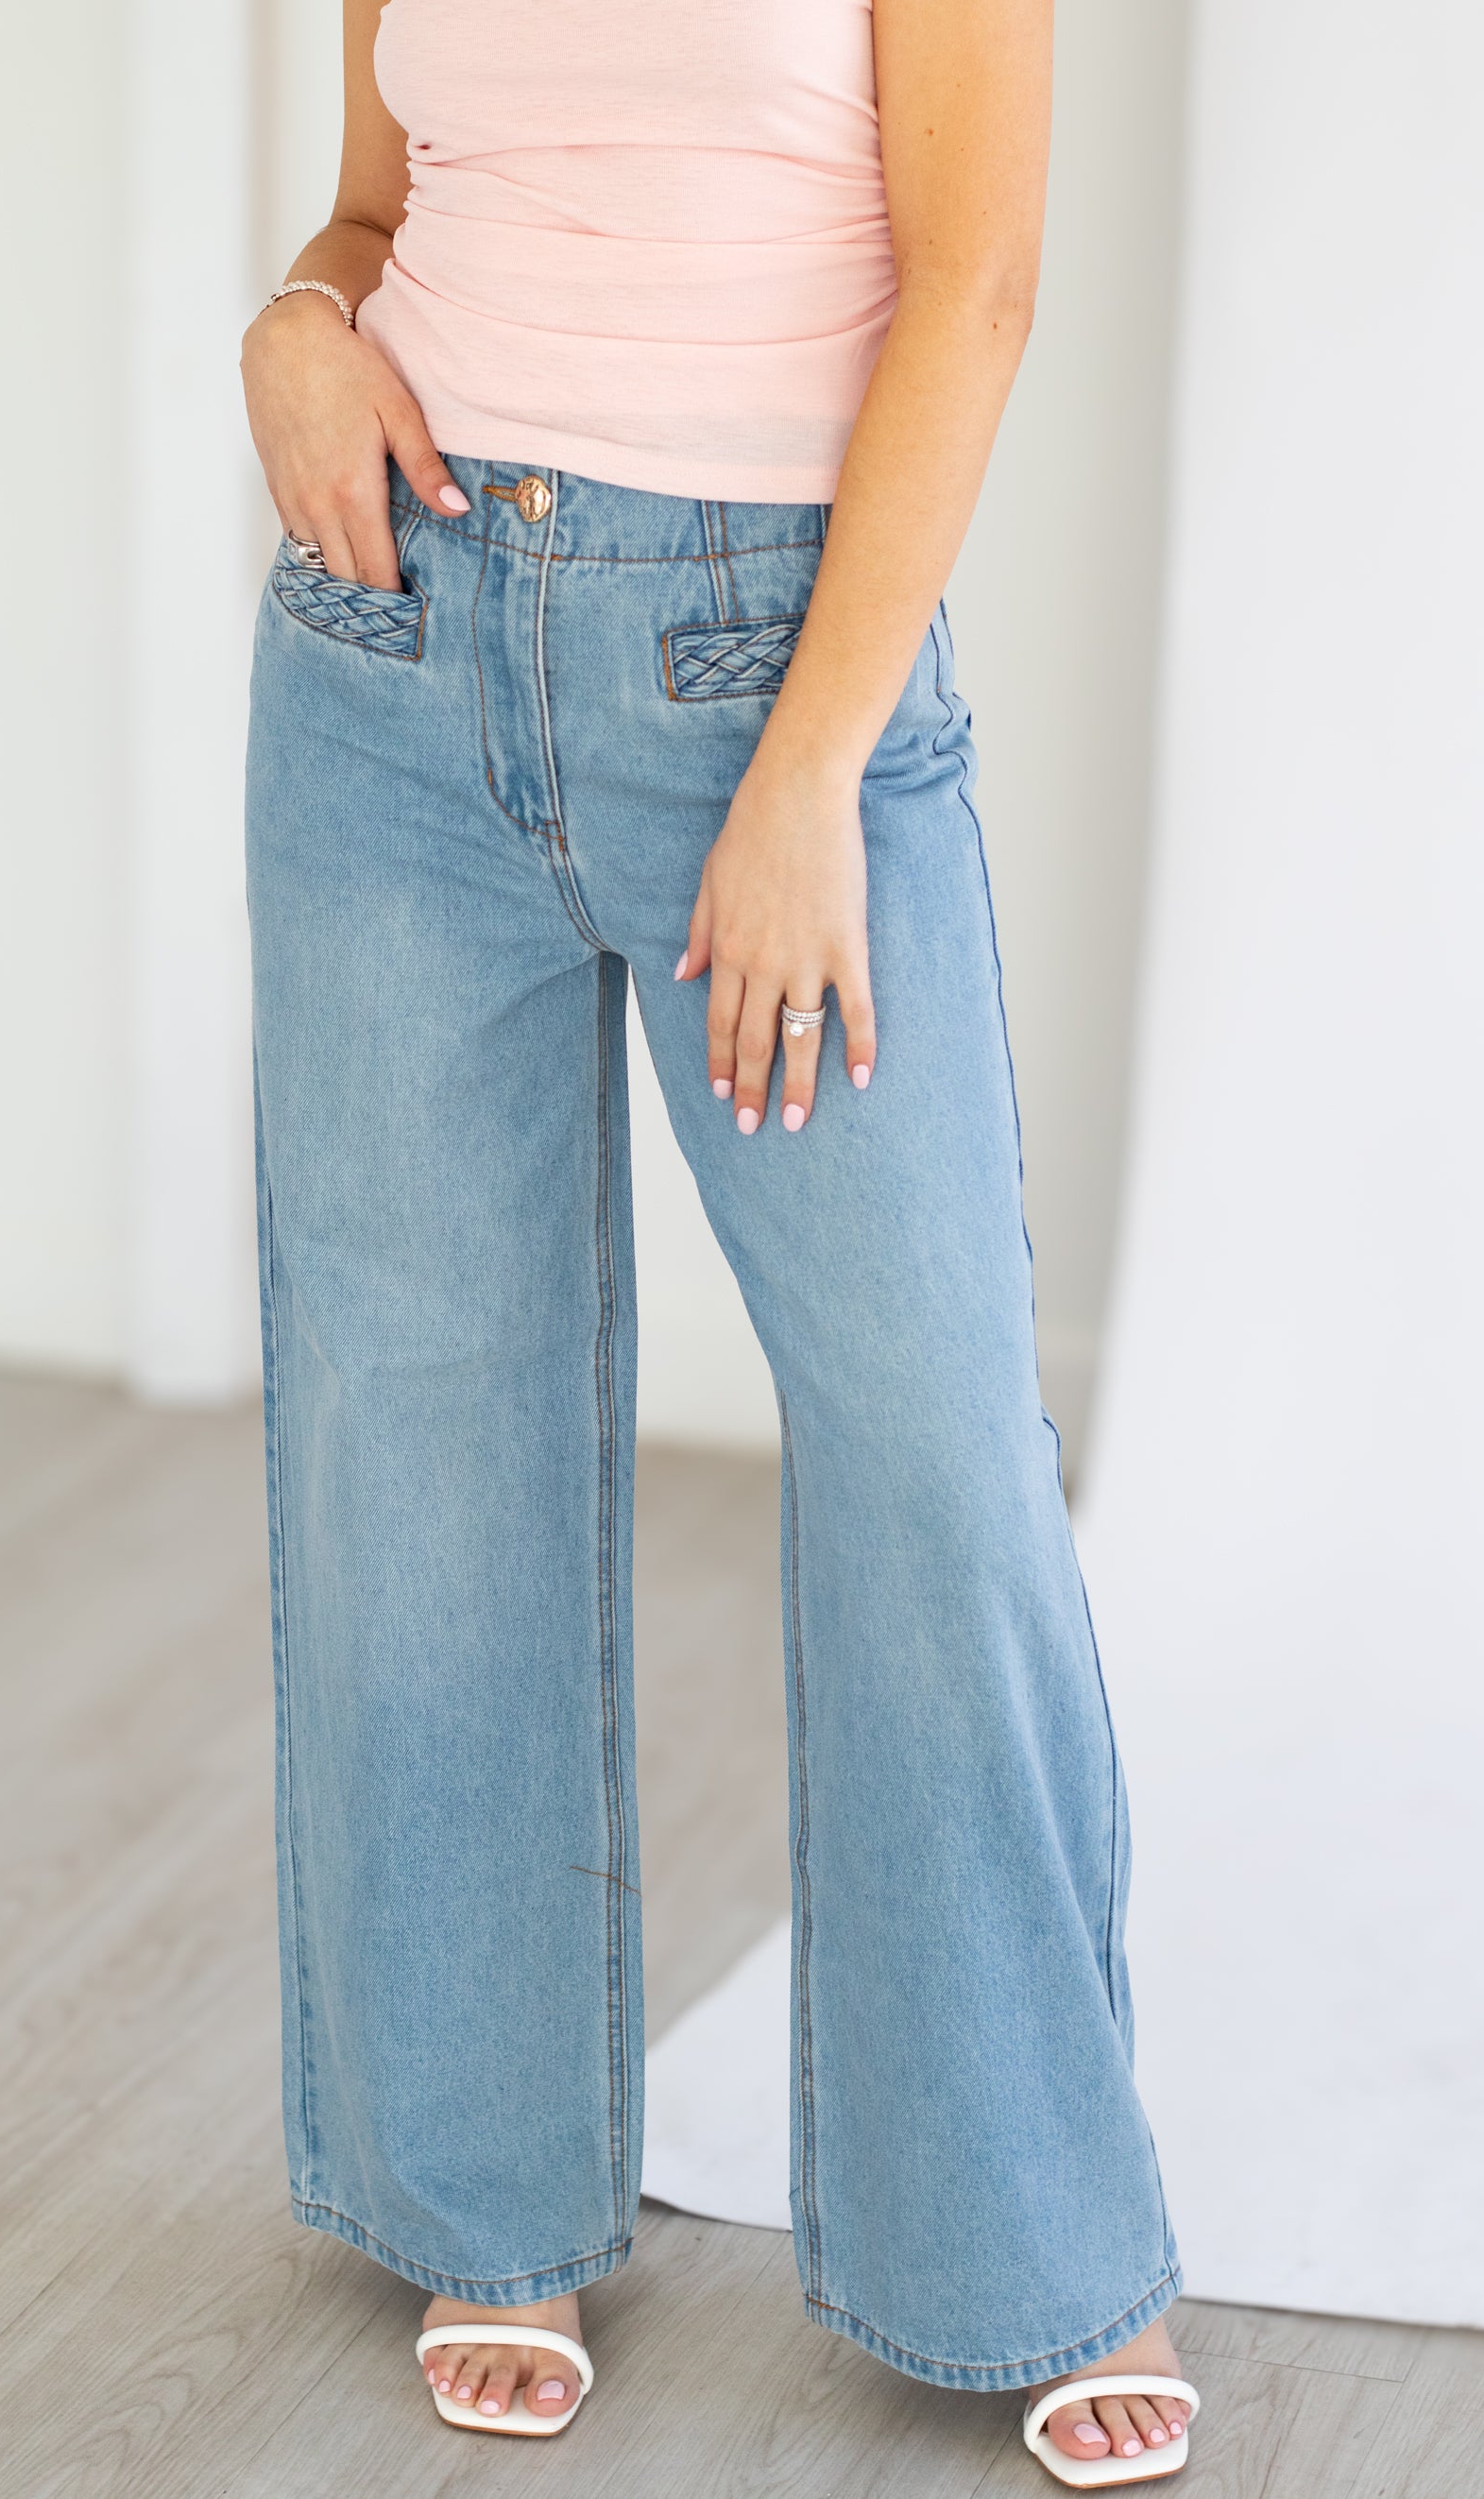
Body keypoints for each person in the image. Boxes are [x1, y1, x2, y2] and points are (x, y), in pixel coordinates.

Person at [239, 0, 1200, 2480]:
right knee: (412, 1441)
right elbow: (383, 208)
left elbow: (973, 286)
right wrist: (295, 322)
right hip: (392, 660)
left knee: (932, 1456)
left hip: (777, 666)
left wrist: (803, 778)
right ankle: (482, 2180)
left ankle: (1026, 2238)